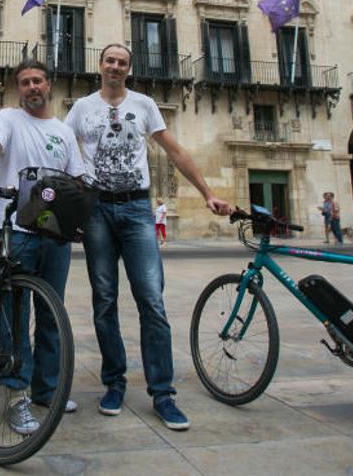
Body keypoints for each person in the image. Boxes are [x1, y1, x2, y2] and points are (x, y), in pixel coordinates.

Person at [65, 43, 233, 432]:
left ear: (128, 69)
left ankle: (162, 392)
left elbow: (174, 151)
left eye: (122, 62)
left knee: (151, 299)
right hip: (96, 211)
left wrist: (207, 193)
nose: (115, 66)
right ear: (100, 65)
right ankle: (114, 384)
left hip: (137, 209)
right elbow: (59, 149)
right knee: (104, 300)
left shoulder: (144, 105)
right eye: (110, 60)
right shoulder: (81, 108)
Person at [0, 59, 87, 434]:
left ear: (49, 85)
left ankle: (46, 390)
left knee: (51, 314)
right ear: (20, 89)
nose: (32, 87)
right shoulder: (8, 118)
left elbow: (76, 179)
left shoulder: (63, 132)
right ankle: (17, 397)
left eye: (38, 81)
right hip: (17, 232)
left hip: (55, 237)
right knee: (14, 316)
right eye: (25, 82)